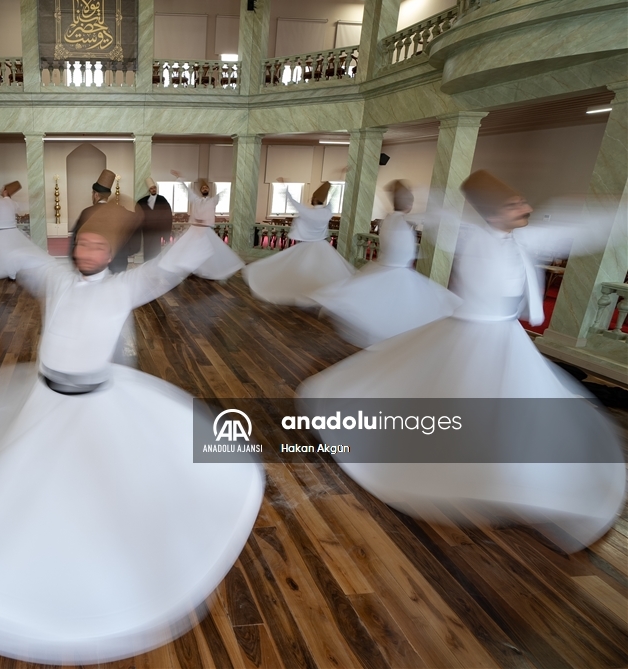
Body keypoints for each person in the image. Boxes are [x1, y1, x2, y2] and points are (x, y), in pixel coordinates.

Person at [0, 170, 264, 664]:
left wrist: (200, 223)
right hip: (45, 404)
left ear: (110, 254)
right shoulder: (55, 277)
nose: (88, 253)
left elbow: (166, 270)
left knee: (93, 487)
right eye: (83, 244)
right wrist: (1, 220)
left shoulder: (124, 287)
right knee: (26, 482)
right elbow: (21, 254)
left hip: (94, 407)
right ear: (74, 246)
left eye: (98, 247)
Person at [297, 170, 625, 551]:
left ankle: (515, 477)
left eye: (522, 202)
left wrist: (617, 213)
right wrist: (411, 194)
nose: (527, 208)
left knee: (517, 408)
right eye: (515, 204)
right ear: (493, 213)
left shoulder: (527, 239)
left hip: (507, 340)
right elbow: (439, 213)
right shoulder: (471, 235)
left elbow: (581, 229)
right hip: (468, 334)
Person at [308, 180, 462, 347]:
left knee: (383, 307)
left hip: (386, 268)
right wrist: (445, 211)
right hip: (397, 272)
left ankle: (384, 339)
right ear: (409, 204)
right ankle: (389, 340)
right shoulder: (402, 220)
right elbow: (426, 218)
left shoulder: (388, 219)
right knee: (403, 309)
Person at [243, 180, 354, 305]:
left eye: (312, 197)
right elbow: (333, 199)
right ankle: (319, 293)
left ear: (315, 198)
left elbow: (293, 202)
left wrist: (284, 187)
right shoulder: (327, 212)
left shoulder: (308, 212)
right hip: (323, 246)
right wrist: (340, 185)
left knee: (301, 270)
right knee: (323, 272)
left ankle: (307, 293)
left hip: (307, 246)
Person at [170, 170, 244, 280]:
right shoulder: (196, 200)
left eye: (206, 188)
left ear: (209, 190)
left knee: (207, 251)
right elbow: (187, 190)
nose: (204, 189)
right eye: (203, 188)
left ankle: (205, 271)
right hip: (194, 229)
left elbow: (226, 191)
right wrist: (179, 179)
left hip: (205, 230)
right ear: (200, 191)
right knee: (190, 250)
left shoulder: (213, 200)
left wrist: (236, 181)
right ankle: (191, 270)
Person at [69, 169, 139, 273]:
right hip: (119, 264)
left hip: (95, 265)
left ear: (96, 195)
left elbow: (75, 240)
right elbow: (135, 228)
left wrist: (75, 259)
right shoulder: (123, 212)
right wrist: (126, 252)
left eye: (93, 194)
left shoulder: (86, 213)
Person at [136, 177, 172, 261]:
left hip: (157, 231)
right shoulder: (142, 201)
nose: (153, 190)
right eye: (151, 188)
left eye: (154, 188)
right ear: (149, 190)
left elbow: (168, 217)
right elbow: (137, 214)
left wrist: (166, 234)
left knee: (156, 251)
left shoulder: (162, 200)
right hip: (147, 231)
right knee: (147, 250)